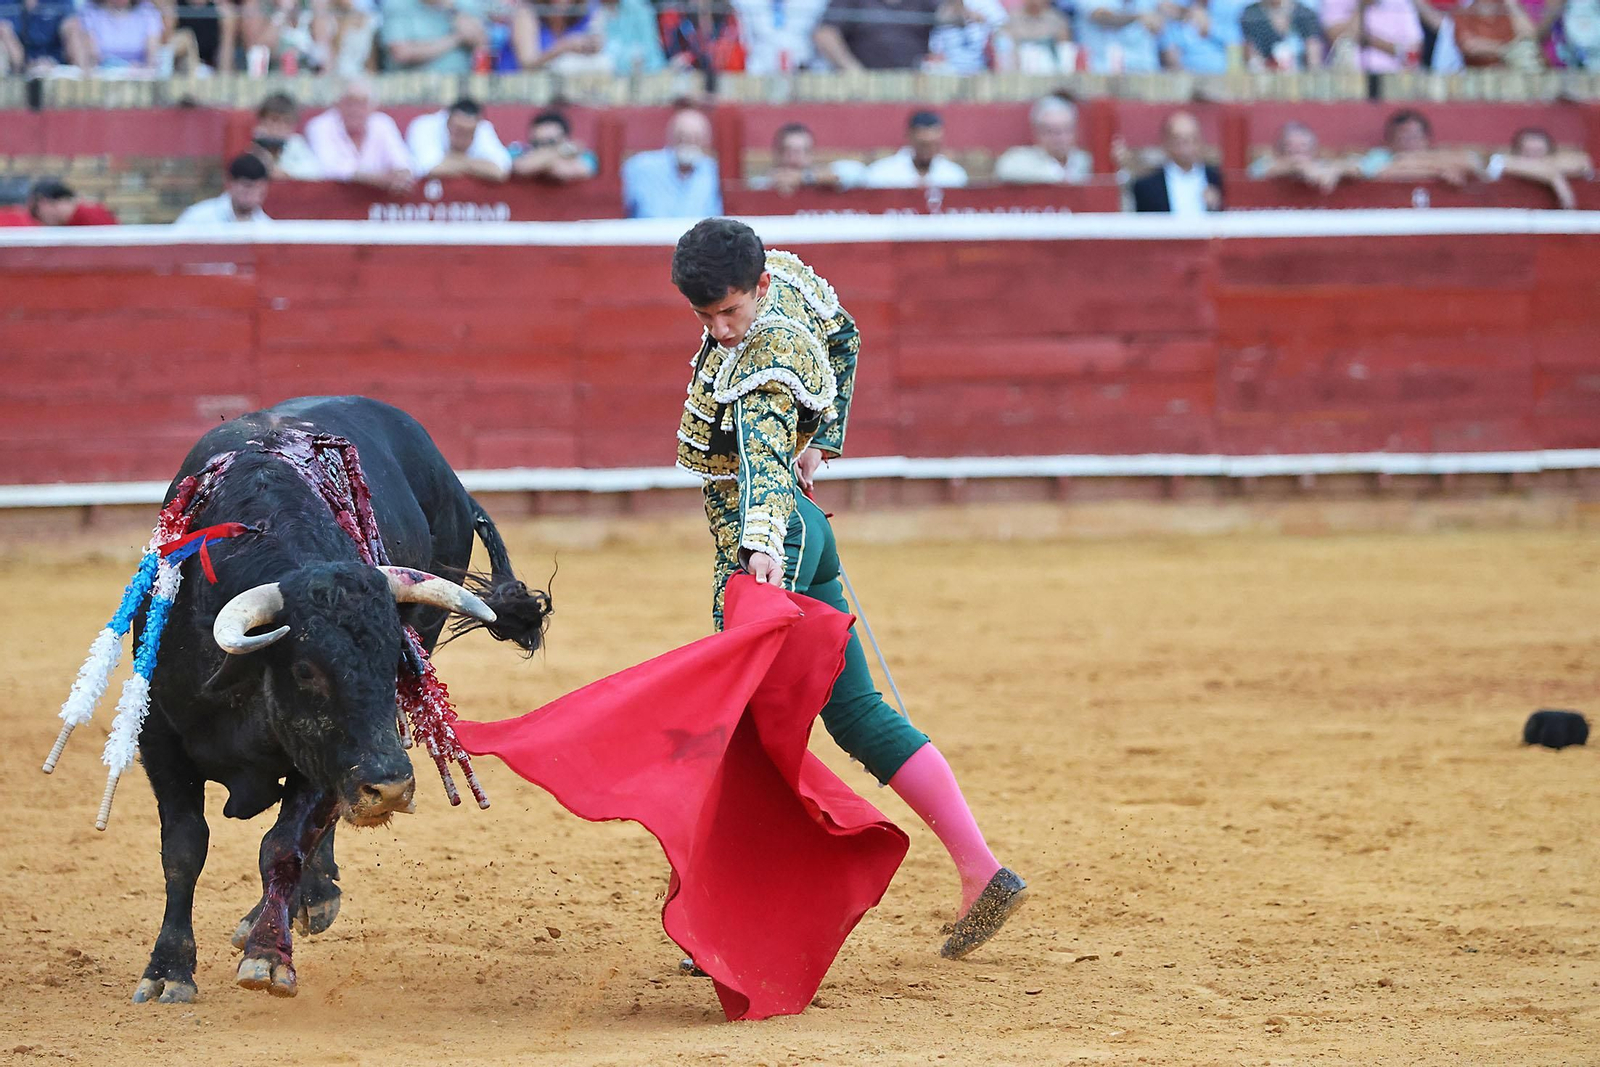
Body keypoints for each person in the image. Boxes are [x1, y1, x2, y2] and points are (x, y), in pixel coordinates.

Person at [668, 218, 1027, 961]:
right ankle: (980, 869)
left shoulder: (765, 357)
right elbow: (846, 336)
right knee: (857, 713)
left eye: (730, 311)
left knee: (735, 729)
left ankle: (733, 919)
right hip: (805, 532)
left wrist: (762, 546)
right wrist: (822, 440)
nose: (722, 331)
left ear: (759, 286)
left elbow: (760, 463)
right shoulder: (782, 283)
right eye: (706, 318)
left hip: (773, 544)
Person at [304, 78, 415, 193]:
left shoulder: (382, 123)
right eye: (349, 102)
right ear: (337, 104)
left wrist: (401, 175)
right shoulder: (320, 126)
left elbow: (402, 161)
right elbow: (329, 167)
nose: (355, 109)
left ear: (373, 107)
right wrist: (375, 179)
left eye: (362, 103)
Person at [621, 107, 723, 219]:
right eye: (682, 137)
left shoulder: (713, 171)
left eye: (696, 139)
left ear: (706, 142)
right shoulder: (639, 167)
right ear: (670, 137)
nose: (688, 143)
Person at [1131, 111, 1223, 213]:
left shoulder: (1219, 180)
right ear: (1166, 142)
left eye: (1193, 139)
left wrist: (1216, 205)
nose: (1187, 146)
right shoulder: (1147, 187)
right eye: (1179, 140)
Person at [1357, 108, 1480, 183]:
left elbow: (1472, 163)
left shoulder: (1439, 155)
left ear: (1426, 139)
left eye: (1414, 137)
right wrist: (1437, 172)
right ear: (1390, 142)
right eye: (1403, 138)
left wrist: (1411, 163)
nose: (1409, 143)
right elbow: (1381, 174)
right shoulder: (1380, 156)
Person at [1485, 126, 1595, 208]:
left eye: (1539, 152)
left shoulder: (1573, 160)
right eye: (1528, 153)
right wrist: (1554, 178)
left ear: (1550, 154)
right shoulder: (1503, 161)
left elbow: (1582, 162)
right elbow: (1502, 162)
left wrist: (1551, 175)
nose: (1535, 158)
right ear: (1517, 153)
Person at [405, 97, 512, 181]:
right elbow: (430, 168)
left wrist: (457, 161)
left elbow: (501, 171)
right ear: (447, 122)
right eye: (458, 131)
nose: (463, 137)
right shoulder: (424, 126)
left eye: (468, 133)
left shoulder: (483, 128)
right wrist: (476, 165)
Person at [994, 95, 1093, 184]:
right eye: (1050, 131)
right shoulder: (1017, 160)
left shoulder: (1083, 160)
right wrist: (1058, 177)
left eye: (1066, 130)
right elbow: (1004, 169)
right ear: (1037, 133)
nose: (1059, 138)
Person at [813, 0, 940, 69]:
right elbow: (825, 34)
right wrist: (854, 72)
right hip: (863, 90)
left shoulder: (925, 2)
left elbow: (946, 16)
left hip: (916, 85)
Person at [862, 109, 969, 188]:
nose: (928, 151)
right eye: (923, 145)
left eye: (934, 145)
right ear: (909, 137)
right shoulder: (881, 174)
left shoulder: (954, 175)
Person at [1247, 120, 1358, 192]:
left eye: (1303, 145)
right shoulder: (1267, 163)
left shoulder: (1321, 166)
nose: (1298, 150)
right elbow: (1254, 171)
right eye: (1290, 145)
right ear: (1280, 149)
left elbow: (1359, 168)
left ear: (1313, 150)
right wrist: (1298, 166)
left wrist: (1336, 170)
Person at [381, 0, 487, 73]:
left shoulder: (464, 5)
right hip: (412, 88)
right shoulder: (398, 5)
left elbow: (482, 45)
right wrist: (456, 38)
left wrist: (453, 9)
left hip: (461, 86)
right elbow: (402, 54)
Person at [1320, 0, 1423, 70]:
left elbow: (1413, 52)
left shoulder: (1400, 3)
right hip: (1348, 80)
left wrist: (1369, 40)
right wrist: (1362, 6)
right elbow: (1336, 38)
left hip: (1392, 80)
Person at [748, 122, 851, 193]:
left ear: (811, 154)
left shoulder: (825, 183)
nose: (795, 157)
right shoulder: (762, 184)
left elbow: (852, 173)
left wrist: (804, 178)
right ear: (777, 154)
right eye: (788, 150)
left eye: (803, 151)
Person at [174, 153, 273, 226]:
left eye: (259, 187)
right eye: (247, 186)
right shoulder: (198, 217)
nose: (253, 193)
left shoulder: (266, 226)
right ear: (230, 184)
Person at [72, 0, 165, 71]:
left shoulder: (148, 12)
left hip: (140, 78)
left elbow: (152, 59)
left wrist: (142, 70)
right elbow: (91, 58)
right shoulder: (90, 11)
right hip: (102, 78)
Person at [249, 91, 323, 180]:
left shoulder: (296, 143)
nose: (280, 126)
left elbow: (314, 170)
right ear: (262, 120)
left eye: (286, 122)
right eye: (274, 120)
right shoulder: (252, 142)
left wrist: (287, 173)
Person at [510, 110, 600, 183]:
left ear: (565, 139)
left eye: (551, 142)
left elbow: (561, 172)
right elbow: (522, 168)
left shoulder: (586, 156)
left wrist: (539, 162)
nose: (543, 148)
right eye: (537, 143)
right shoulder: (518, 151)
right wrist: (563, 151)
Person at [1075, 0, 1166, 72]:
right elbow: (1103, 17)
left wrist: (1157, 23)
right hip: (1102, 73)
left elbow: (1159, 24)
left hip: (1146, 70)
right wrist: (1138, 17)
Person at [1238, 0, 1325, 67]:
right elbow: (1252, 55)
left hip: (1300, 75)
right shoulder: (1251, 15)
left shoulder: (1306, 14)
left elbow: (1313, 55)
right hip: (1266, 75)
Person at [993, 0, 1074, 72]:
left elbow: (1064, 47)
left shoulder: (1057, 20)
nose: (1034, 1)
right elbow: (1003, 42)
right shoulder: (1011, 19)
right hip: (1019, 63)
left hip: (1048, 65)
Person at [0, 0, 79, 74]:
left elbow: (71, 27)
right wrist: (25, 65)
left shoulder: (61, 2)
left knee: (74, 26)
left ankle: (80, 76)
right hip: (19, 65)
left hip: (58, 64)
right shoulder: (4, 3)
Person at [7, 179, 119, 226]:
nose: (41, 221)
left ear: (44, 203)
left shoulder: (92, 215)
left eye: (36, 213)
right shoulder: (73, 220)